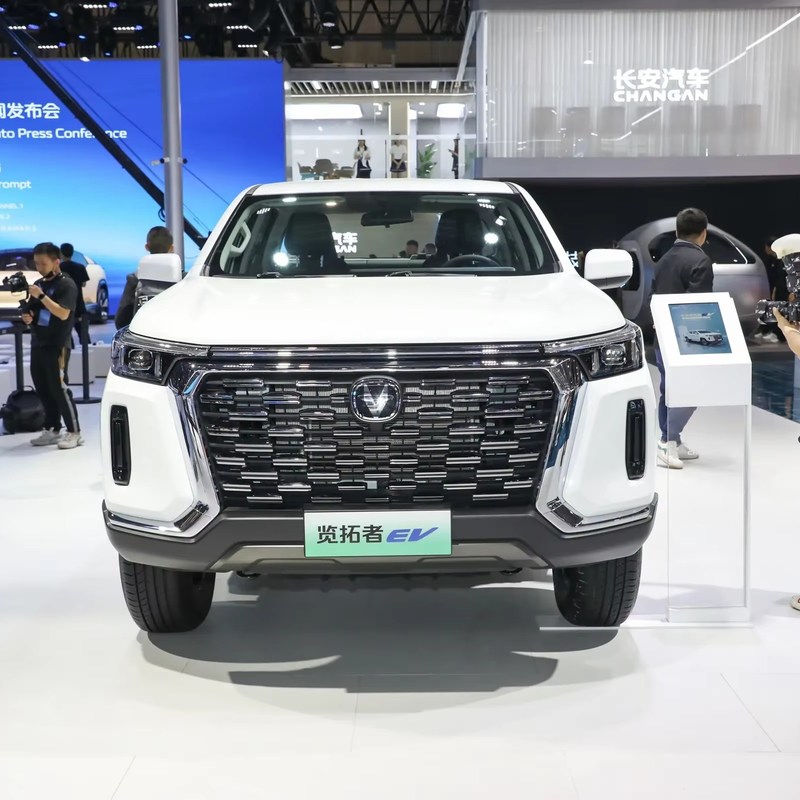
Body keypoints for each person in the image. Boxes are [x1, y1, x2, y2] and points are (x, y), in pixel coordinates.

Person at [651, 207, 713, 469]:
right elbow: (697, 306)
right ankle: (667, 441)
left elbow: (653, 296)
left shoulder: (663, 260)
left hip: (662, 336)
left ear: (677, 231)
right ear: (703, 233)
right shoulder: (701, 261)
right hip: (688, 339)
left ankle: (671, 439)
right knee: (692, 389)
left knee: (669, 389)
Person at [21, 242, 82, 450]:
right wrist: (28, 317)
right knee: (43, 387)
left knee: (59, 388)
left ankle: (74, 432)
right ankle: (52, 428)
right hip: (38, 342)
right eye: (36, 263)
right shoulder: (39, 283)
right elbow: (35, 312)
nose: (39, 267)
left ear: (56, 262)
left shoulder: (67, 284)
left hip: (58, 344)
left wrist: (41, 296)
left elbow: (63, 313)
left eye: (43, 263)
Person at [115, 225, 174, 329]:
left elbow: (121, 320)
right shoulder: (184, 279)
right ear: (172, 248)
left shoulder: (134, 279)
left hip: (143, 334)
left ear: (146, 247)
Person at [58, 242, 91, 384]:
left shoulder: (59, 268)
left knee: (66, 336)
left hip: (65, 306)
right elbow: (83, 283)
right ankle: (87, 360)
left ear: (61, 253)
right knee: (84, 335)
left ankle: (67, 367)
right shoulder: (80, 267)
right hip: (79, 305)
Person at [754, 235, 786, 344]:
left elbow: (780, 278)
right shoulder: (770, 260)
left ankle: (779, 334)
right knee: (768, 309)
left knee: (779, 311)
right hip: (771, 288)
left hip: (781, 290)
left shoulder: (781, 260)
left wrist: (776, 290)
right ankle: (767, 329)